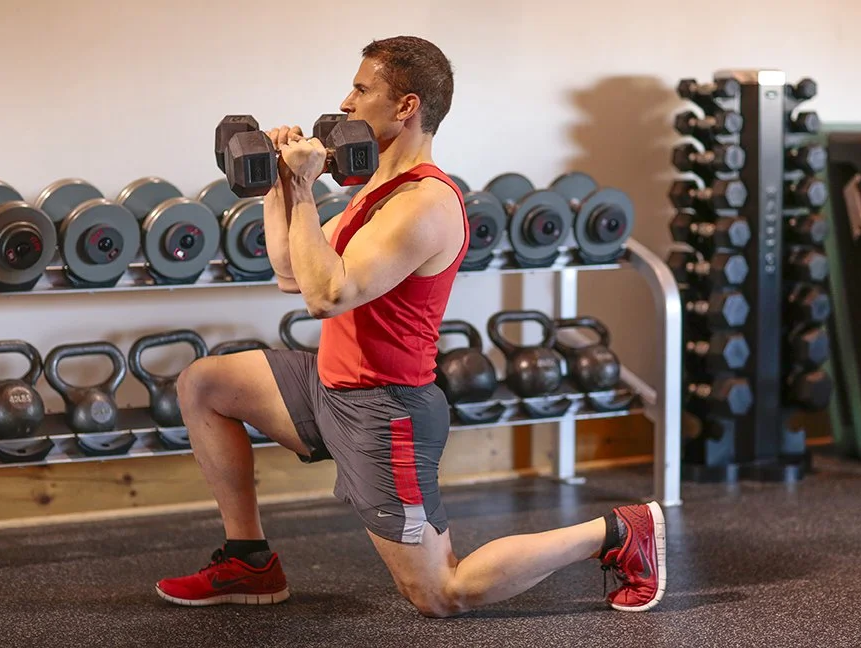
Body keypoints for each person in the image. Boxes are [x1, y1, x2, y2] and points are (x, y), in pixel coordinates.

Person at [156, 35, 666, 616]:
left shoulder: (424, 203)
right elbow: (291, 273)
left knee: (441, 594)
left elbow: (327, 298)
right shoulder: (372, 187)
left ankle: (620, 532)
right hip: (330, 385)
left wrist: (302, 184)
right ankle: (249, 562)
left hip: (385, 409)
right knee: (205, 383)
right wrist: (280, 184)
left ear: (407, 107)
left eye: (361, 88)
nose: (345, 103)